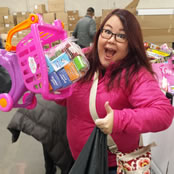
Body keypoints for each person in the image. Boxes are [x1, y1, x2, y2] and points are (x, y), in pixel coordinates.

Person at [55, 9, 174, 174]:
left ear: (131, 44)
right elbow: (67, 99)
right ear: (99, 34)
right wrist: (54, 86)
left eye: (121, 36)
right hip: (81, 159)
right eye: (107, 31)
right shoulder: (84, 60)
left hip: (111, 166)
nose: (111, 39)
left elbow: (163, 113)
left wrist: (118, 120)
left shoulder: (135, 74)